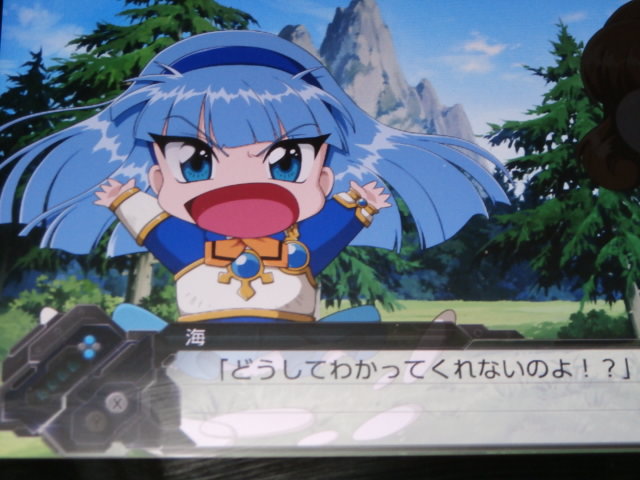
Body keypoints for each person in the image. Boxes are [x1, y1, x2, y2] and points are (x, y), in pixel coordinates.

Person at [0, 31, 507, 323]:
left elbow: (331, 228)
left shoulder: (299, 246)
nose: (240, 185)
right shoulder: (192, 246)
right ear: (159, 178)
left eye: (286, 163)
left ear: (323, 180)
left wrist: (359, 207)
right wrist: (124, 200)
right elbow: (157, 227)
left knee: (357, 327)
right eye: (196, 162)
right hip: (200, 347)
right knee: (137, 329)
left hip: (295, 352)